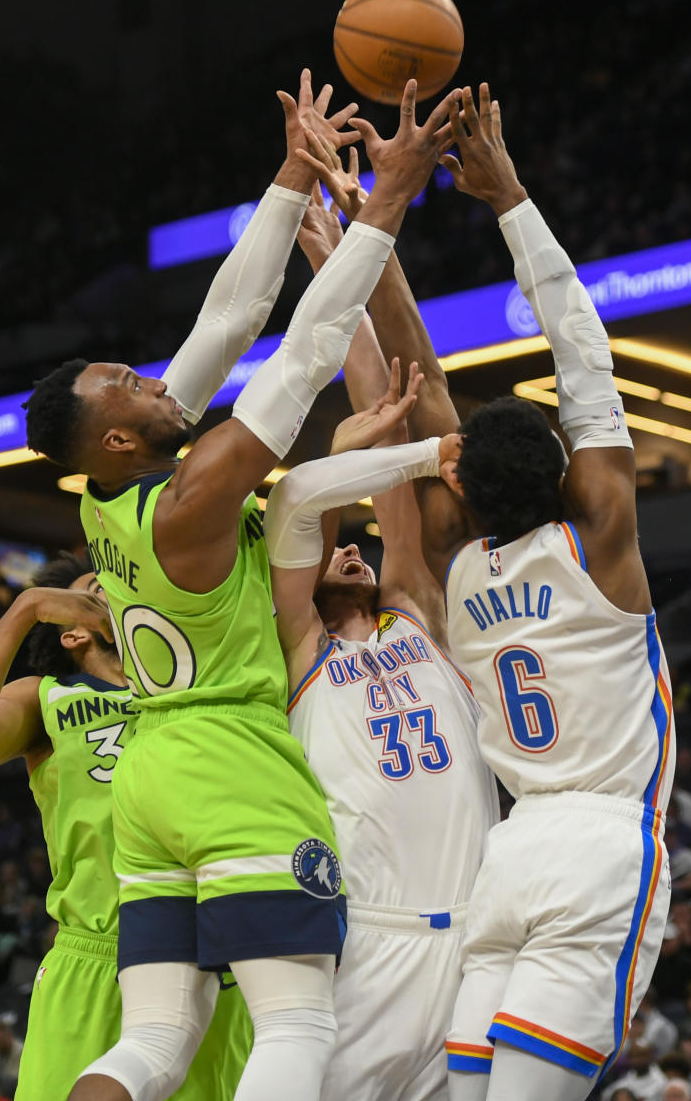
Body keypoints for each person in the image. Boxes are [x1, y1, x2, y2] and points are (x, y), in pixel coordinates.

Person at [23, 72, 459, 1101]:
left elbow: (230, 312)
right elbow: (302, 350)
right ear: (121, 437)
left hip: (150, 780)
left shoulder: (109, 496)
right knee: (298, 1029)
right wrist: (385, 201)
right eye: (131, 386)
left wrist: (290, 174)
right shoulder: (196, 497)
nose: (155, 380)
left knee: (155, 1048)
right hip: (230, 765)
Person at [291, 82, 675, 1101]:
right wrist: (508, 197)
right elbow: (582, 352)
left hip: (503, 864)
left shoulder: (451, 570)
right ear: (563, 470)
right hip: (597, 845)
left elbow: (412, 389)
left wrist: (377, 231)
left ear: (456, 478)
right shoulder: (600, 541)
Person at [266, 182, 497, 1100]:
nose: (359, 549)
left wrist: (347, 268)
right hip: (373, 940)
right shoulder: (294, 650)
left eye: (363, 545)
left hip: (482, 940)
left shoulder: (415, 611)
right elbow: (307, 500)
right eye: (340, 548)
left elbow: (389, 414)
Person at [0, 553, 250, 1100]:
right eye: (100, 586)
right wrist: (24, 609)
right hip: (98, 959)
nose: (124, 587)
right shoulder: (47, 696)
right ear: (72, 633)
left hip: (215, 956)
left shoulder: (211, 689)